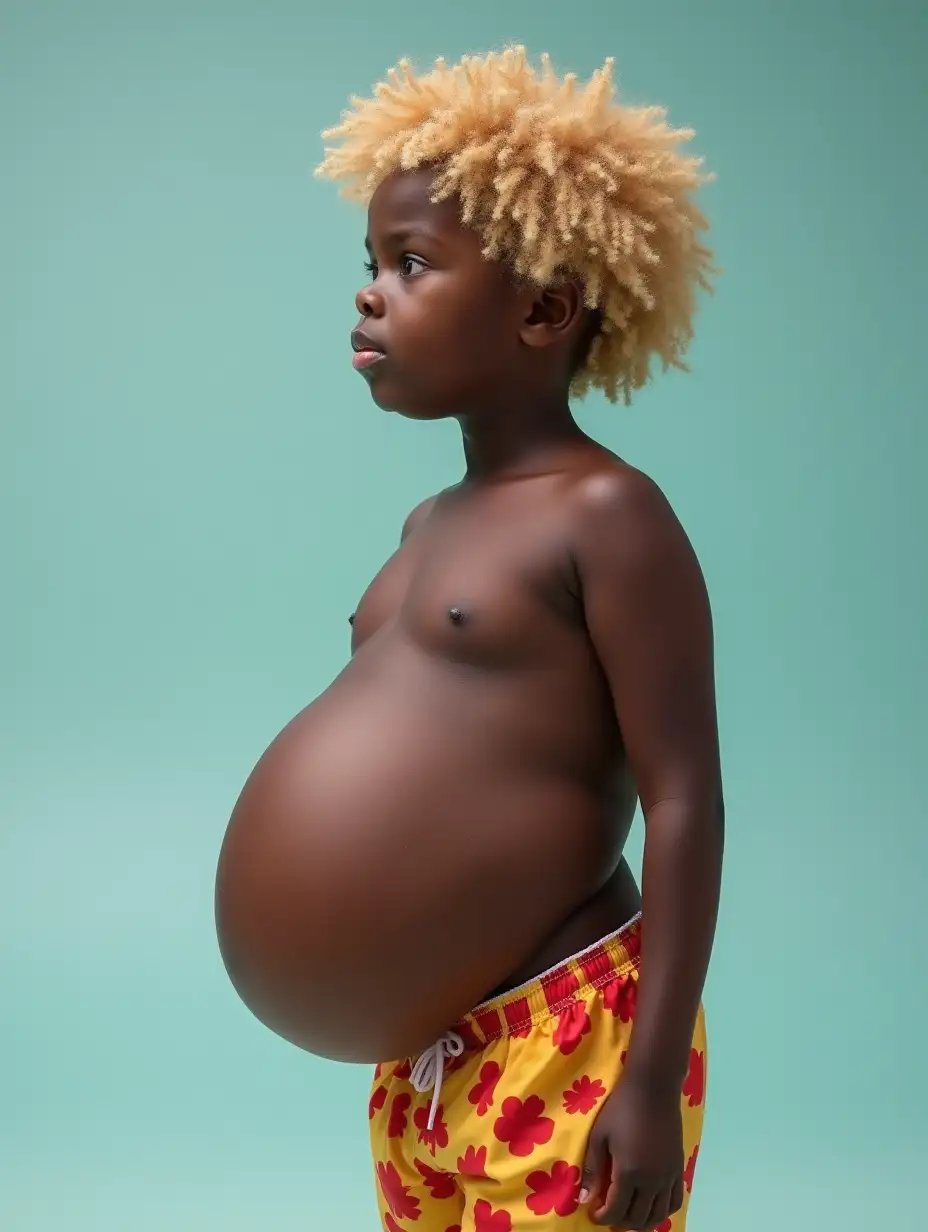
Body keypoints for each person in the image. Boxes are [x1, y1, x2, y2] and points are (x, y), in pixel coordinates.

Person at [214, 46, 723, 1232]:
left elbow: (686, 795)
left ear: (544, 309)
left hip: (567, 1041)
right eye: (371, 261)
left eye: (412, 263)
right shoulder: (422, 525)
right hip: (430, 1052)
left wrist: (647, 1077)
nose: (370, 291)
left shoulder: (608, 514)